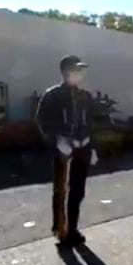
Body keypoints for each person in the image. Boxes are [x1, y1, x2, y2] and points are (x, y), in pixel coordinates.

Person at [36, 55, 98, 246]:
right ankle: (61, 229)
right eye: (76, 70)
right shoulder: (53, 95)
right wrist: (56, 139)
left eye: (81, 71)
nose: (80, 74)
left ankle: (73, 228)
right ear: (65, 72)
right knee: (61, 190)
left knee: (78, 190)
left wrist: (93, 146)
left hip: (83, 148)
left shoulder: (85, 96)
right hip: (63, 149)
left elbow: (92, 122)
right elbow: (42, 121)